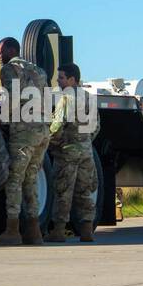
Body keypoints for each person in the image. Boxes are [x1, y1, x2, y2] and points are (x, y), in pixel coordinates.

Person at [0, 37, 50, 246]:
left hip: (23, 131)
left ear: (12, 50)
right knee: (31, 179)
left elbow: (10, 99)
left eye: (1, 51)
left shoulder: (9, 70)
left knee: (14, 179)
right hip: (42, 130)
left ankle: (12, 231)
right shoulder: (39, 71)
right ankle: (34, 232)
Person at [46, 63, 99, 243]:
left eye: (61, 77)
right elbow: (96, 126)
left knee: (63, 191)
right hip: (86, 152)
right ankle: (87, 230)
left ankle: (59, 231)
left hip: (67, 152)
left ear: (72, 79)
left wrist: (51, 143)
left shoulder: (66, 98)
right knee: (84, 191)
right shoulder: (89, 98)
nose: (58, 81)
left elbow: (57, 125)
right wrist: (84, 141)